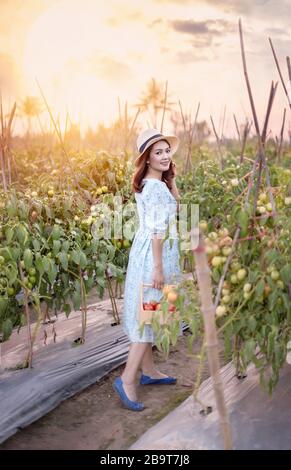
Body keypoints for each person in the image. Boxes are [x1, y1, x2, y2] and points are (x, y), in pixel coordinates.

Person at [113, 128, 182, 411]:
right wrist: (157, 267)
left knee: (149, 313)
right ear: (147, 158)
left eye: (167, 151)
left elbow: (175, 206)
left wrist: (172, 179)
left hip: (148, 250)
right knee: (149, 314)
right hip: (155, 254)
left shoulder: (153, 183)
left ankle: (150, 372)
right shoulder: (154, 188)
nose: (165, 156)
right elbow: (157, 229)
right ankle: (128, 378)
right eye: (159, 153)